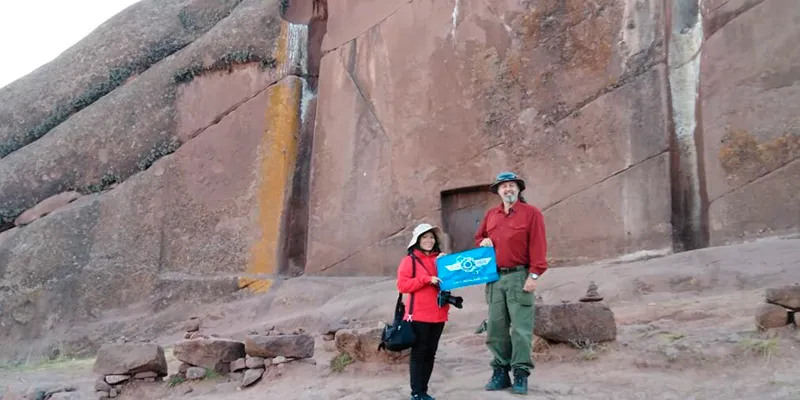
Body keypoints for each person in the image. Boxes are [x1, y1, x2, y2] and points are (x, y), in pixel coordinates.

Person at [474, 171, 548, 395]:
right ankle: (500, 372)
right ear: (498, 191)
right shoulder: (491, 215)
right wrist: (482, 241)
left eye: (512, 185)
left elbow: (539, 246)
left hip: (519, 277)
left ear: (519, 189)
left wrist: (534, 275)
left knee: (521, 331)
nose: (508, 189)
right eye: (503, 186)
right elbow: (479, 238)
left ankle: (521, 374)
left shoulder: (531, 214)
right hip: (495, 278)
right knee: (496, 329)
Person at [396, 223, 450, 400]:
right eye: (425, 237)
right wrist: (426, 279)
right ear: (417, 240)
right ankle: (416, 393)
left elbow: (448, 282)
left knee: (430, 353)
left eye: (432, 237)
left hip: (439, 313)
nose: (429, 240)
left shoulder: (439, 259)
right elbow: (402, 285)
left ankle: (423, 391)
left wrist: (446, 265)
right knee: (419, 353)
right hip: (418, 314)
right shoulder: (409, 261)